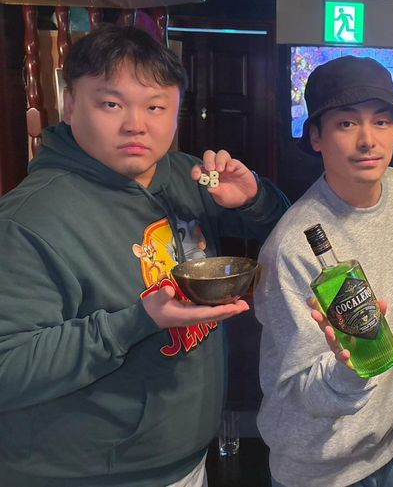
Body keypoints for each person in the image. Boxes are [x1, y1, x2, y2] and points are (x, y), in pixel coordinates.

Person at [0, 24, 289, 487]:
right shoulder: (28, 219)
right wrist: (137, 321)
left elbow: (283, 229)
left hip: (185, 458)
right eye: (111, 104)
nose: (136, 124)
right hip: (90, 474)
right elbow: (7, 367)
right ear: (70, 105)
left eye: (155, 106)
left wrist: (254, 198)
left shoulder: (183, 174)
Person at [254, 55, 393, 487]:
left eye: (381, 121)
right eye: (347, 123)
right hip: (323, 467)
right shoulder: (292, 247)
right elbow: (293, 386)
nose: (368, 140)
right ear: (316, 137)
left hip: (392, 441)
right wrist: (350, 371)